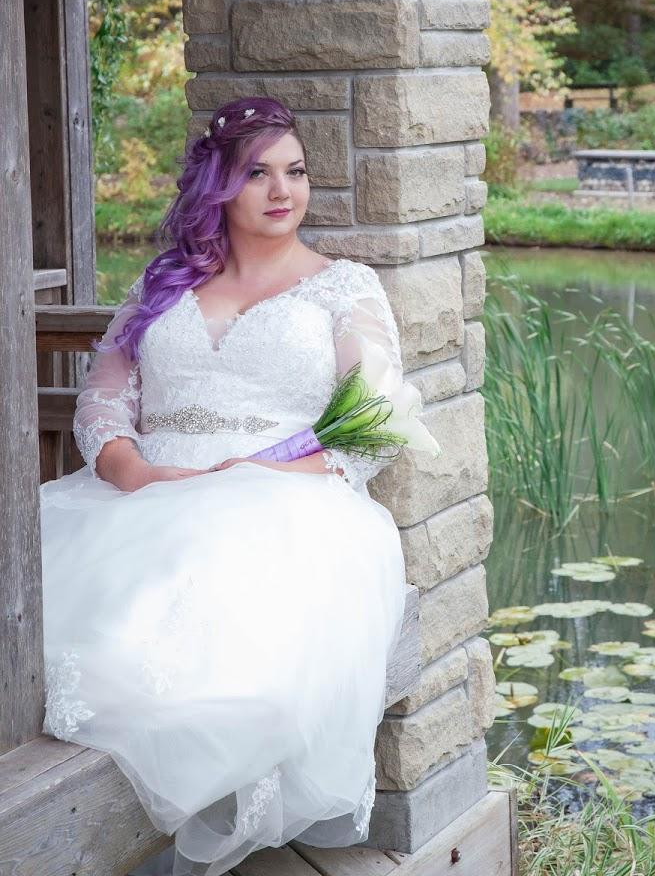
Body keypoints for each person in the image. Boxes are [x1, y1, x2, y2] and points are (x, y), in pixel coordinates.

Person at [39, 96, 432, 876]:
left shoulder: (343, 288)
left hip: (286, 500)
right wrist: (136, 472)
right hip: (143, 491)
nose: (283, 190)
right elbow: (103, 401)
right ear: (218, 185)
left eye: (296, 171)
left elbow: (373, 428)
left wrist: (260, 473)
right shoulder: (162, 284)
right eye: (258, 173)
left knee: (202, 604)